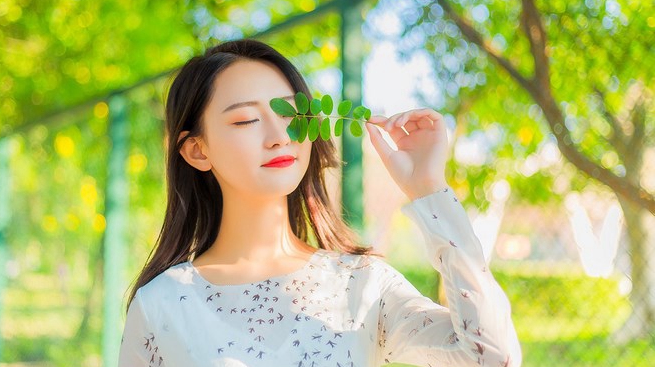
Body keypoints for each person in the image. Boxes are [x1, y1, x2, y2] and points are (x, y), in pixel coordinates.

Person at [118, 39, 522, 367]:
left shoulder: (361, 284)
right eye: (245, 120)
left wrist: (429, 190)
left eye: (294, 115)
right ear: (196, 151)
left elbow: (491, 357)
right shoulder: (162, 304)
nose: (279, 135)